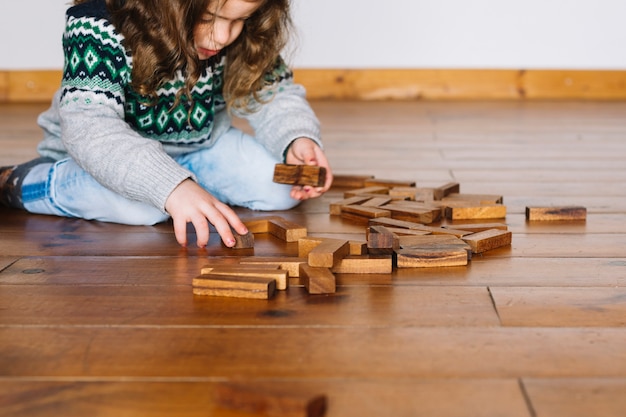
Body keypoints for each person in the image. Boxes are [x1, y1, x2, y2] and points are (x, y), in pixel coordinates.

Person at [0, 0, 333, 248]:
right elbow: (91, 130)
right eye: (208, 18)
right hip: (97, 158)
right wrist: (170, 186)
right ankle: (22, 182)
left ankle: (187, 190)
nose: (222, 36)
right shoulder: (98, 24)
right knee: (140, 209)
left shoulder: (231, 36)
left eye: (240, 20)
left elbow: (271, 94)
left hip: (201, 148)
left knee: (279, 189)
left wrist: (296, 139)